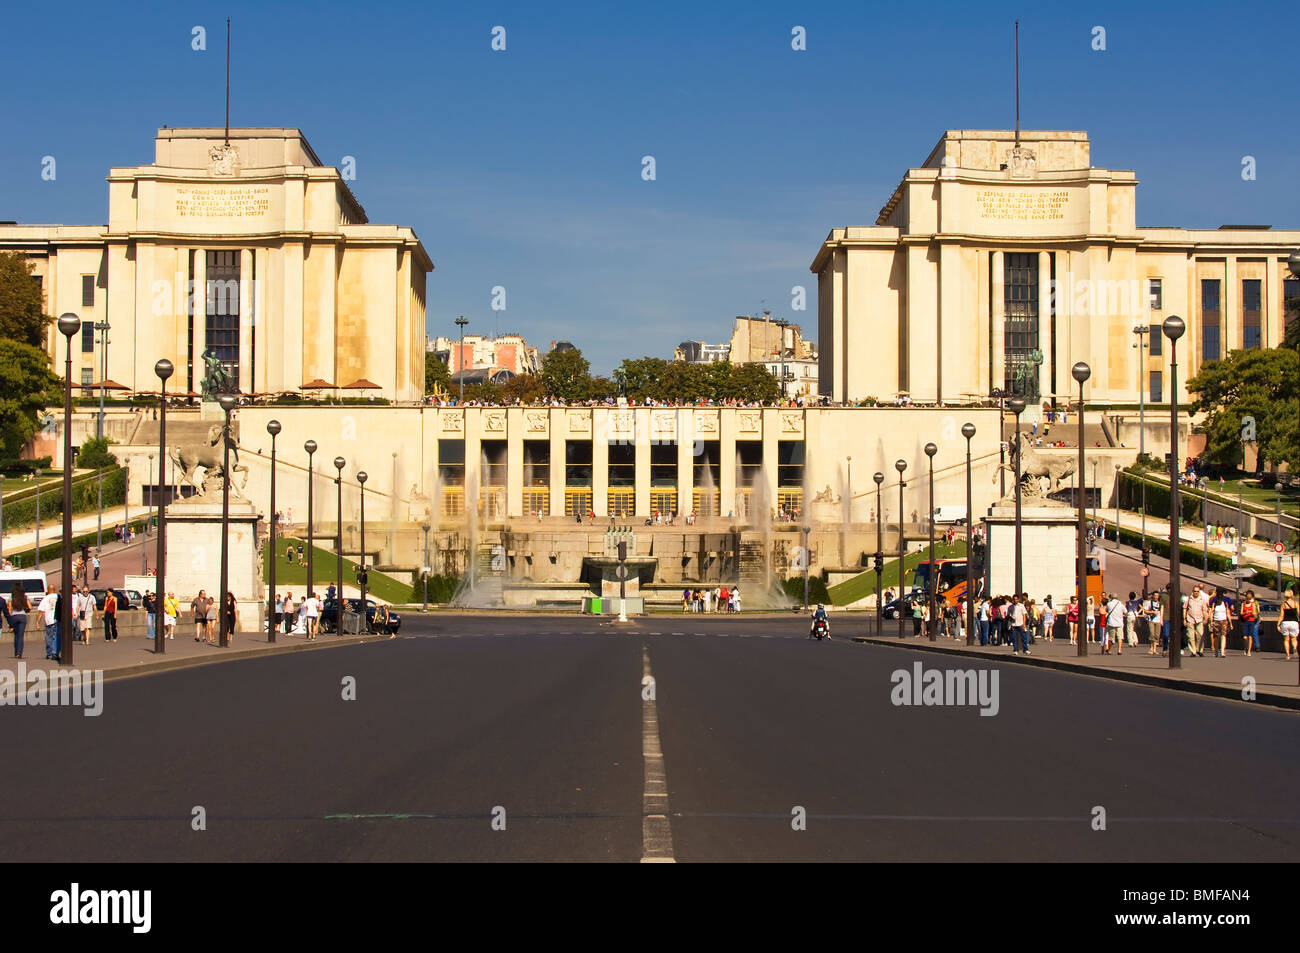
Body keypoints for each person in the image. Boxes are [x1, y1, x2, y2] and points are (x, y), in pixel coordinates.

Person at [1184, 584, 1208, 657]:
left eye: (1197, 591)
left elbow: (1204, 610)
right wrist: (1184, 619)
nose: (1196, 593)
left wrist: (1205, 618)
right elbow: (1185, 608)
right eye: (1195, 591)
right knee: (1191, 636)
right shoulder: (1188, 599)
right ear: (1192, 591)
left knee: (1200, 634)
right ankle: (1193, 651)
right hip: (1190, 618)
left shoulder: (1202, 600)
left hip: (1199, 619)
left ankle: (1199, 649)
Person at [1207, 588, 1233, 657]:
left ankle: (1222, 651)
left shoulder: (1225, 603)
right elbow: (1211, 611)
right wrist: (1211, 621)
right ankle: (1216, 650)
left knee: (1223, 635)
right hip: (1216, 621)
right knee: (1216, 637)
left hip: (1223, 620)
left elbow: (1228, 613)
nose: (1220, 601)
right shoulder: (1214, 603)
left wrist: (1230, 623)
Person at [1278, 588, 1299, 661]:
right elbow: (1298, 614)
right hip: (1294, 623)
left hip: (1285, 623)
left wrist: (1278, 624)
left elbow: (1281, 616)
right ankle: (1295, 648)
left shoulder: (1283, 604)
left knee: (1286, 640)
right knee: (1294, 638)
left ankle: (1287, 655)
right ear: (1292, 595)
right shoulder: (1296, 603)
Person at [9, 585, 29, 659]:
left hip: (14, 616)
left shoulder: (11, 598)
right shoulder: (25, 597)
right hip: (22, 617)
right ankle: (19, 653)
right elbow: (29, 607)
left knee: (16, 635)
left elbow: (9, 609)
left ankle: (16, 652)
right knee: (21, 636)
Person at [39, 590, 59, 661]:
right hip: (57, 620)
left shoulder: (45, 598)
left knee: (49, 637)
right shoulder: (58, 597)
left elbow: (41, 611)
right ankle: (55, 652)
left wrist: (37, 622)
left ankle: (50, 653)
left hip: (49, 620)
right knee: (56, 637)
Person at [1240, 590, 1260, 656]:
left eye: (1249, 599)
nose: (1248, 600)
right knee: (1245, 637)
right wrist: (1245, 613)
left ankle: (1249, 651)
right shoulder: (1243, 604)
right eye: (1247, 598)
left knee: (1250, 636)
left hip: (1251, 621)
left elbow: (1255, 613)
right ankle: (1246, 648)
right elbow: (1241, 613)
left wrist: (1251, 613)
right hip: (1245, 621)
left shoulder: (1253, 604)